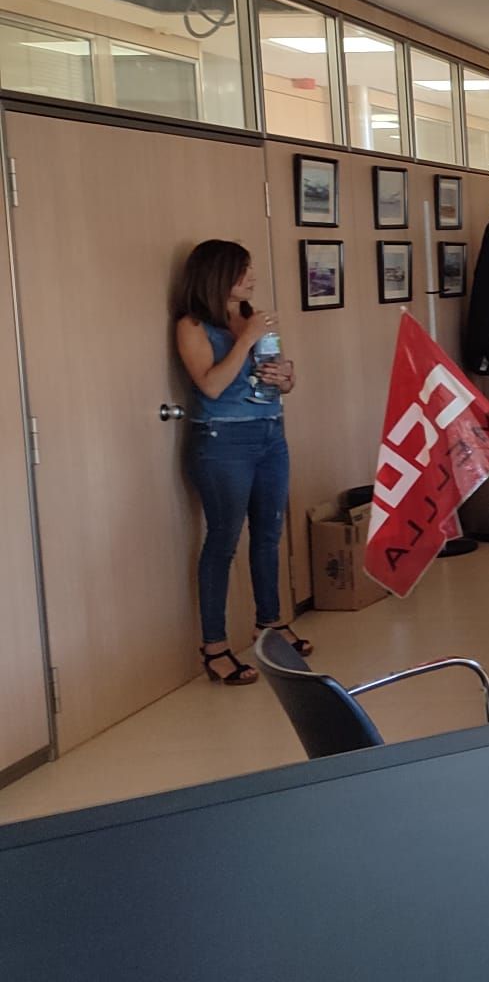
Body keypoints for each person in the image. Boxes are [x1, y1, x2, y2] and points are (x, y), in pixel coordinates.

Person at [173, 239, 303, 687]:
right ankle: (215, 646)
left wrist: (285, 378)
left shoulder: (252, 320)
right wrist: (245, 339)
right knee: (223, 540)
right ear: (217, 275)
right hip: (223, 441)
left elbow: (274, 375)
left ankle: (270, 623)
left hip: (270, 432)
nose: (251, 277)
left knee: (268, 534)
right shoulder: (192, 325)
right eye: (243, 270)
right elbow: (210, 385)